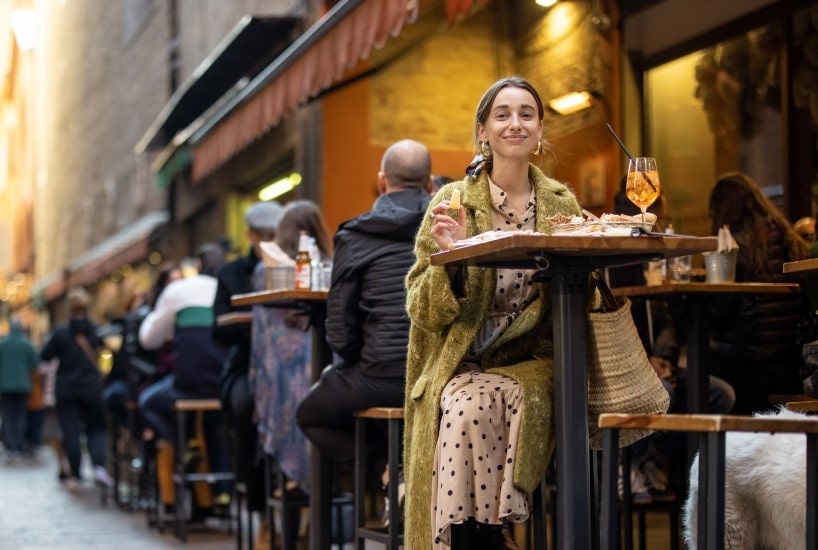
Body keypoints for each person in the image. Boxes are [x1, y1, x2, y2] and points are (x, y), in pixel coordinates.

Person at [403, 76, 583, 550]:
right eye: (502, 114)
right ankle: (482, 535)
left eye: (526, 114)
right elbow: (420, 307)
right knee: (469, 400)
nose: (515, 123)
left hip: (536, 358)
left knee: (476, 402)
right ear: (482, 131)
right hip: (465, 359)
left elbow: (582, 290)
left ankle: (476, 537)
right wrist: (452, 261)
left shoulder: (564, 205)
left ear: (541, 130)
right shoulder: (451, 203)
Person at [296, 139, 433, 462]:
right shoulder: (454, 227)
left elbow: (340, 329)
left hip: (379, 377)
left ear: (382, 181)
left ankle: (388, 473)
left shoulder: (355, 235)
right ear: (430, 184)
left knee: (310, 416)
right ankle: (408, 474)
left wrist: (359, 360)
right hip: (441, 376)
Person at [249, 199, 333, 544]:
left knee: (290, 385)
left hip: (277, 384)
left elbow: (262, 340)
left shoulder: (262, 272)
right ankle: (317, 500)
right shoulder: (333, 266)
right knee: (309, 387)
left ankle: (287, 503)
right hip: (326, 378)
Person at [708, 172, 811, 414]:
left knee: (697, 373)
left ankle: (702, 448)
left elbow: (720, 314)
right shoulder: (789, 239)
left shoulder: (735, 248)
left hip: (748, 366)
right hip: (790, 361)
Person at [212, 200, 282, 548]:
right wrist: (254, 326)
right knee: (246, 409)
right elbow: (218, 330)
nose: (269, 241)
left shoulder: (293, 266)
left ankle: (300, 508)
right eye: (264, 235)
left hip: (287, 365)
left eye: (274, 234)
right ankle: (262, 511)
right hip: (247, 363)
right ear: (250, 235)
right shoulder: (231, 274)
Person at [138, 245, 229, 513]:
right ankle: (219, 494)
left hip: (187, 386)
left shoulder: (176, 291)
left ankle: (181, 446)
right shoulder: (224, 289)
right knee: (215, 423)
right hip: (221, 387)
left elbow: (148, 338)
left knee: (148, 401)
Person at [40, 287, 113, 491]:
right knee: (96, 428)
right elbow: (107, 355)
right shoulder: (96, 331)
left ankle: (76, 475)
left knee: (70, 431)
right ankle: (98, 467)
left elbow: (44, 356)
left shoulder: (61, 334)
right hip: (90, 387)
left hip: (67, 389)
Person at [0, 317, 39, 461]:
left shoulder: (2, 344)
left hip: (5, 386)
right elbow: (35, 365)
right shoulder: (27, 345)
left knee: (8, 416)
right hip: (23, 385)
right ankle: (18, 444)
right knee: (21, 416)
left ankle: (10, 446)